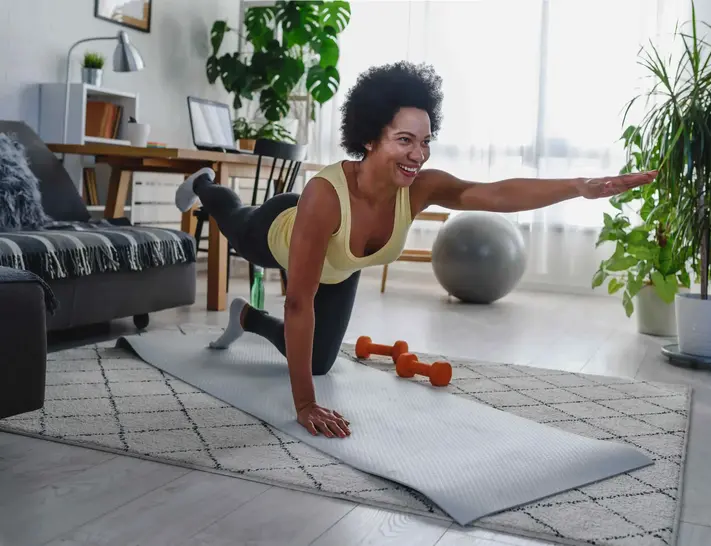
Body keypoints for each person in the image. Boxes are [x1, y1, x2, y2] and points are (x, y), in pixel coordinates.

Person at [174, 61, 657, 440]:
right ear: (370, 137)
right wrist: (304, 405)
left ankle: (246, 320)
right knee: (235, 223)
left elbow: (495, 194)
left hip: (342, 269)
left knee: (320, 361)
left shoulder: (420, 188)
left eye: (425, 141)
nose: (418, 154)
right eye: (404, 140)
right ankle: (207, 187)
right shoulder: (326, 195)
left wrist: (579, 186)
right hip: (280, 232)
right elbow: (298, 302)